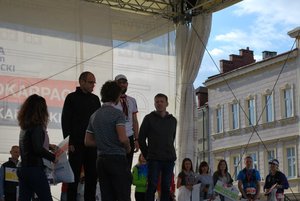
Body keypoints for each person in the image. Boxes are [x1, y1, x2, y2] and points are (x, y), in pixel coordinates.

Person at [84, 80, 131, 201]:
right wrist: (128, 147)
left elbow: (87, 141)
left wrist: (102, 141)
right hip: (117, 158)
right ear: (117, 96)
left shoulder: (94, 115)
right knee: (122, 195)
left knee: (106, 195)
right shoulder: (117, 114)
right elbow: (122, 138)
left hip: (101, 160)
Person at [61, 71, 101, 201]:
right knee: (74, 177)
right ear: (81, 82)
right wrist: (69, 142)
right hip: (76, 144)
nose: (93, 85)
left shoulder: (95, 99)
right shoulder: (71, 98)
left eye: (94, 82)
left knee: (92, 177)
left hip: (92, 144)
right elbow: (65, 121)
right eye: (90, 82)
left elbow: (98, 122)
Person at [17, 94, 57, 201]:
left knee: (23, 198)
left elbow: (30, 145)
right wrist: (53, 157)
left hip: (23, 168)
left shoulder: (24, 127)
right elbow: (38, 149)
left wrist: (48, 146)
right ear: (41, 110)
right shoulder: (37, 126)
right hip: (34, 169)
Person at [138, 93, 177, 201]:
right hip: (154, 158)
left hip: (168, 159)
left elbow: (171, 138)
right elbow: (141, 138)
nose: (159, 103)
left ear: (166, 103)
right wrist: (147, 155)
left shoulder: (172, 120)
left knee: (166, 187)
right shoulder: (148, 118)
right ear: (154, 104)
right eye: (157, 101)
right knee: (152, 185)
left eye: (161, 101)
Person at [114, 74, 139, 169]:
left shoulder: (132, 100)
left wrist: (136, 139)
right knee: (116, 166)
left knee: (127, 166)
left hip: (129, 137)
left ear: (127, 84)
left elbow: (135, 121)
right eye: (119, 83)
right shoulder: (111, 101)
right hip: (115, 137)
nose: (122, 85)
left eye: (124, 82)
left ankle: (125, 184)